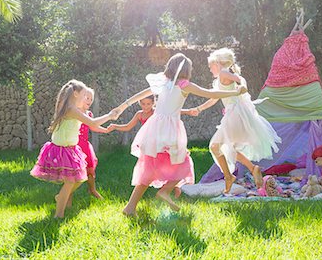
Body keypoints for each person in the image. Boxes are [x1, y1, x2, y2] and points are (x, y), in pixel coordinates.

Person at [114, 53, 247, 216]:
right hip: (170, 129)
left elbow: (140, 95)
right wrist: (235, 92)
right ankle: (164, 191)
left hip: (154, 128)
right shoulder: (184, 85)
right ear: (186, 70)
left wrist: (122, 106)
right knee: (183, 163)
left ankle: (130, 207)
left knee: (150, 165)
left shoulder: (163, 82)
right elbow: (211, 93)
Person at [192, 48, 281, 193]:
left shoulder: (224, 72)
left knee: (215, 146)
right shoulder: (221, 78)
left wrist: (243, 86)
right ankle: (253, 168)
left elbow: (240, 79)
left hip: (233, 114)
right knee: (229, 148)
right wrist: (199, 108)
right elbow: (214, 98)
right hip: (233, 114)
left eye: (210, 66)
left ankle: (228, 176)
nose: (210, 69)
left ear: (218, 63)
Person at [30, 80, 118, 218]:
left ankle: (61, 199)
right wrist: (110, 116)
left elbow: (91, 124)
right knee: (71, 180)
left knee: (78, 178)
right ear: (75, 94)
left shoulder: (69, 106)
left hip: (70, 148)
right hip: (62, 149)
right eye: (84, 95)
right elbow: (93, 123)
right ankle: (58, 214)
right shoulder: (71, 109)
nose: (85, 98)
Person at [77, 87, 109, 200]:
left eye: (91, 99)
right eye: (87, 98)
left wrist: (105, 130)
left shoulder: (89, 114)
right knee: (72, 172)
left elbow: (93, 126)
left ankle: (92, 190)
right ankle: (67, 196)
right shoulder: (74, 112)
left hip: (85, 146)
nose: (89, 101)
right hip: (74, 146)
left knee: (90, 169)